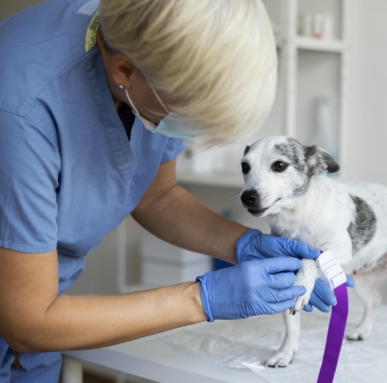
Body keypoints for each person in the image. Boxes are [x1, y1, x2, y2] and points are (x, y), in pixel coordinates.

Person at [0, 1, 352, 382]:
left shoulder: (152, 62)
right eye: (188, 115)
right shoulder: (22, 111)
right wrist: (202, 299)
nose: (191, 133)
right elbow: (28, 322)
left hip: (34, 347)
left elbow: (157, 195)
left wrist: (244, 245)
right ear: (124, 72)